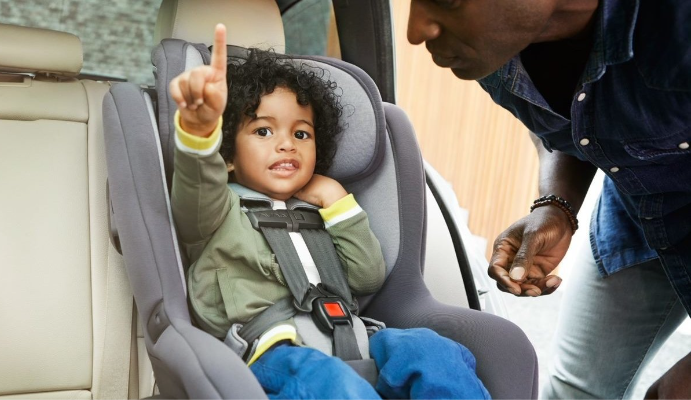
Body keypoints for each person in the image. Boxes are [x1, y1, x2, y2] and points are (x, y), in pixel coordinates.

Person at [168, 24, 490, 399]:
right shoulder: (217, 209)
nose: (287, 144)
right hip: (272, 352)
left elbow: (367, 277)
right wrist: (200, 131)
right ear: (227, 156)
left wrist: (338, 204)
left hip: (354, 336)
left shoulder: (320, 211)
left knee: (432, 350)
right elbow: (197, 183)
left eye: (301, 134)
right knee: (333, 384)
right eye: (263, 131)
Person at [405, 0, 691, 398]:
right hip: (637, 217)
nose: (415, 31)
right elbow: (569, 125)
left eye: (446, 1)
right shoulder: (496, 53)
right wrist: (557, 204)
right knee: (576, 393)